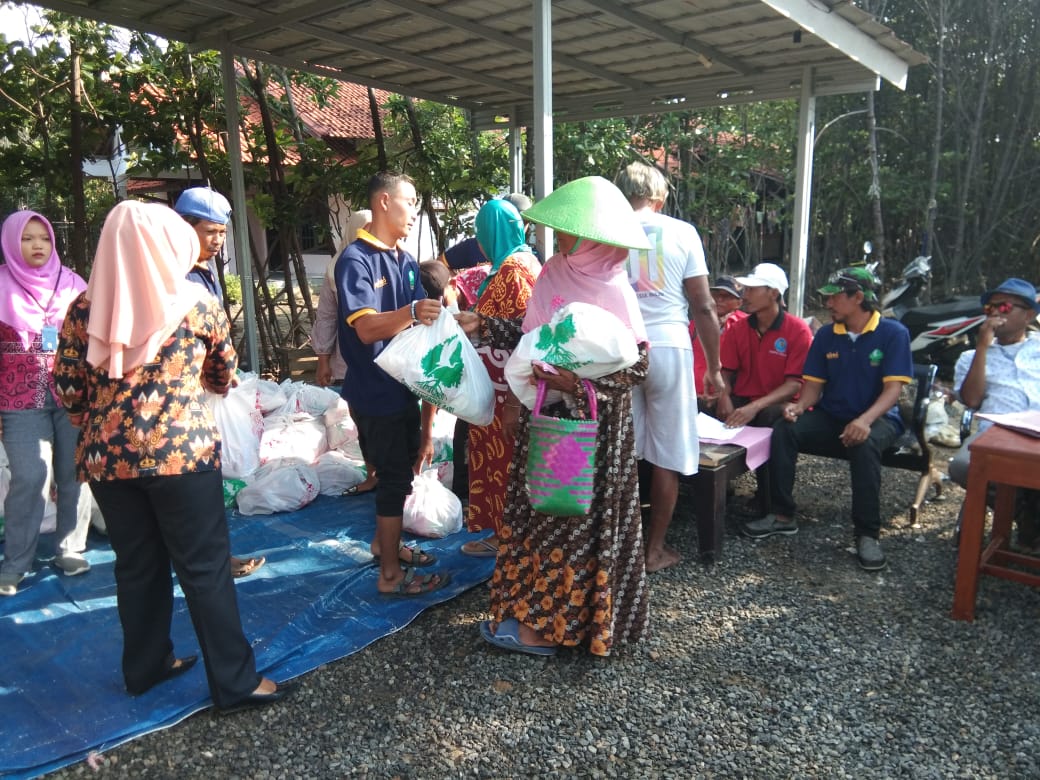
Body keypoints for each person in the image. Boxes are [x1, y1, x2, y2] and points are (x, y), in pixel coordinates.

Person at [53, 201, 294, 710]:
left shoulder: (83, 308)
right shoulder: (195, 304)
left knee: (136, 565)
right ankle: (234, 683)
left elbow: (69, 387)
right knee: (204, 568)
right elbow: (222, 374)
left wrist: (94, 417)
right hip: (182, 456)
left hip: (107, 460)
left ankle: (145, 669)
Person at [457, 175, 652, 657]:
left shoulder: (617, 288)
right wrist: (484, 324)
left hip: (595, 429)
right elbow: (534, 337)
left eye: (569, 232)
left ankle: (555, 629)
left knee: (577, 520)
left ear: (593, 237)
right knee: (540, 511)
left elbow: (639, 366)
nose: (560, 239)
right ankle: (531, 614)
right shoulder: (551, 273)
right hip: (545, 414)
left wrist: (580, 385)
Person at [741, 266, 913, 572]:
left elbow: (893, 391)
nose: (828, 304)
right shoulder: (826, 335)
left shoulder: (893, 333)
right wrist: (798, 408)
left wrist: (864, 421)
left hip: (879, 417)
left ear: (858, 297)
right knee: (784, 429)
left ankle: (867, 533)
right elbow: (813, 388)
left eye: (835, 298)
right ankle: (781, 514)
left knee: (864, 443)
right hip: (832, 415)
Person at [334, 171, 450, 596]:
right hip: (375, 393)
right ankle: (389, 576)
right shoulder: (356, 260)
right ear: (384, 202)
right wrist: (412, 312)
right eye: (410, 201)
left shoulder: (405, 261)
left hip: (403, 390)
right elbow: (366, 329)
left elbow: (420, 324)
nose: (415, 211)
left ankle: (386, 545)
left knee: (400, 477)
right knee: (392, 479)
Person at [615, 161, 723, 573]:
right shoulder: (682, 232)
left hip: (619, 349)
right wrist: (714, 367)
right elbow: (703, 305)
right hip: (670, 347)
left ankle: (617, 544)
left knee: (623, 451)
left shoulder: (607, 231)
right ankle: (653, 550)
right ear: (658, 198)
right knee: (668, 455)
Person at [174, 186, 266, 579]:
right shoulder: (174, 277)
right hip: (181, 402)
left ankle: (211, 558)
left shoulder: (204, 271)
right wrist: (219, 375)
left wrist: (223, 374)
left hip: (200, 394)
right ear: (183, 227)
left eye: (222, 233)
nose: (217, 241)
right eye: (209, 231)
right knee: (192, 487)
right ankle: (208, 565)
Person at [0, 211, 94, 596]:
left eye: (43, 238)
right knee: (30, 475)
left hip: (72, 394)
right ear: (11, 243)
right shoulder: (1, 285)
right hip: (17, 397)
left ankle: (70, 547)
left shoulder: (73, 284)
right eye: (27, 238)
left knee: (75, 471)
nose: (37, 245)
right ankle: (16, 562)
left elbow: (93, 340)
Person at [458, 199, 540, 558]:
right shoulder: (523, 263)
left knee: (503, 462)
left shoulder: (512, 271)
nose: (479, 242)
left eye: (480, 233)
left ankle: (506, 537)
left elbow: (526, 332)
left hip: (506, 390)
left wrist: (511, 401)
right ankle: (512, 535)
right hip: (503, 386)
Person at [950, 279, 1040, 522]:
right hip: (996, 432)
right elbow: (971, 400)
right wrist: (982, 347)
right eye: (990, 308)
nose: (995, 313)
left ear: (1028, 315)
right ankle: (1024, 515)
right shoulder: (970, 357)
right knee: (962, 466)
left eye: (1005, 307)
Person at [311, 209, 379, 496]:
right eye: (365, 229)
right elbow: (326, 317)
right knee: (360, 416)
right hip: (349, 357)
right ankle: (373, 472)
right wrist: (323, 360)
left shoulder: (388, 262)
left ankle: (393, 474)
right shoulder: (338, 269)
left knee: (386, 417)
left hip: (384, 356)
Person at [716, 263, 813, 428]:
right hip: (743, 399)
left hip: (778, 403)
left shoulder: (798, 330)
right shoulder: (738, 328)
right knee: (702, 407)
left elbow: (794, 384)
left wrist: (754, 407)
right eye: (746, 289)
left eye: (752, 290)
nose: (745, 295)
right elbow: (725, 371)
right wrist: (723, 396)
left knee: (773, 417)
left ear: (774, 293)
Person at [691, 275, 747, 404]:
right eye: (716, 294)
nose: (719, 299)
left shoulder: (744, 324)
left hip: (728, 397)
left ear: (739, 303)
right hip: (694, 394)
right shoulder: (696, 324)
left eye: (727, 296)